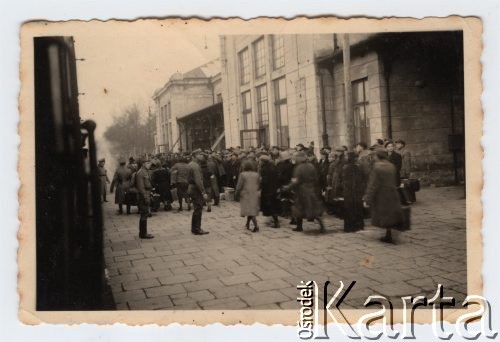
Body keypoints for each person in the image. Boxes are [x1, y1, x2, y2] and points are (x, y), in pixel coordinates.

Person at [363, 150, 404, 244]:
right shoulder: (391, 165)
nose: (374, 157)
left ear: (378, 157)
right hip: (392, 193)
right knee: (390, 214)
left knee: (384, 214)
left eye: (375, 156)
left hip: (381, 195)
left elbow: (373, 184)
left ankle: (389, 236)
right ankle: (389, 234)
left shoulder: (377, 167)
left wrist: (367, 199)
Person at [286, 151, 325, 232]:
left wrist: (287, 187)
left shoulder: (298, 168)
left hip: (301, 190)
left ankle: (299, 227)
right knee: (311, 208)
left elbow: (295, 181)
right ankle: (321, 224)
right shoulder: (311, 166)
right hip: (311, 189)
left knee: (299, 208)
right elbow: (316, 178)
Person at [187, 149, 209, 235]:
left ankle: (194, 228)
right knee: (198, 208)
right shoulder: (195, 166)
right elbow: (198, 181)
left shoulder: (191, 164)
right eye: (200, 154)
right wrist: (203, 192)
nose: (202, 156)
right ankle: (197, 229)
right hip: (196, 189)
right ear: (195, 156)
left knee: (197, 208)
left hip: (192, 188)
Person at [342, 152, 365, 232]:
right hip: (357, 191)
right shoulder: (357, 167)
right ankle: (359, 225)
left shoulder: (346, 167)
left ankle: (350, 227)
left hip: (349, 192)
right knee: (357, 208)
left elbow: (345, 181)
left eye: (346, 156)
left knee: (349, 209)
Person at [235, 159, 261, 232]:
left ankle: (256, 226)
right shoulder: (256, 174)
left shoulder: (242, 174)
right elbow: (259, 184)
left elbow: (239, 186)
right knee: (251, 209)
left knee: (250, 211)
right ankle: (247, 224)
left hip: (246, 194)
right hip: (254, 194)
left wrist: (236, 193)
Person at [259, 153, 280, 228]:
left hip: (267, 190)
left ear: (263, 161)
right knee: (273, 205)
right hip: (274, 189)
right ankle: (274, 220)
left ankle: (276, 222)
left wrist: (260, 183)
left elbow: (265, 181)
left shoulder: (264, 169)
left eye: (260, 160)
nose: (259, 162)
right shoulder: (273, 166)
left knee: (270, 206)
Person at [135, 158, 154, 239]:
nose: (150, 164)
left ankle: (143, 233)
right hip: (143, 195)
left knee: (145, 213)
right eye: (148, 163)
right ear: (143, 164)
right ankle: (143, 234)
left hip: (147, 193)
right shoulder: (140, 173)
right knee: (144, 214)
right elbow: (140, 187)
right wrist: (146, 197)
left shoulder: (145, 171)